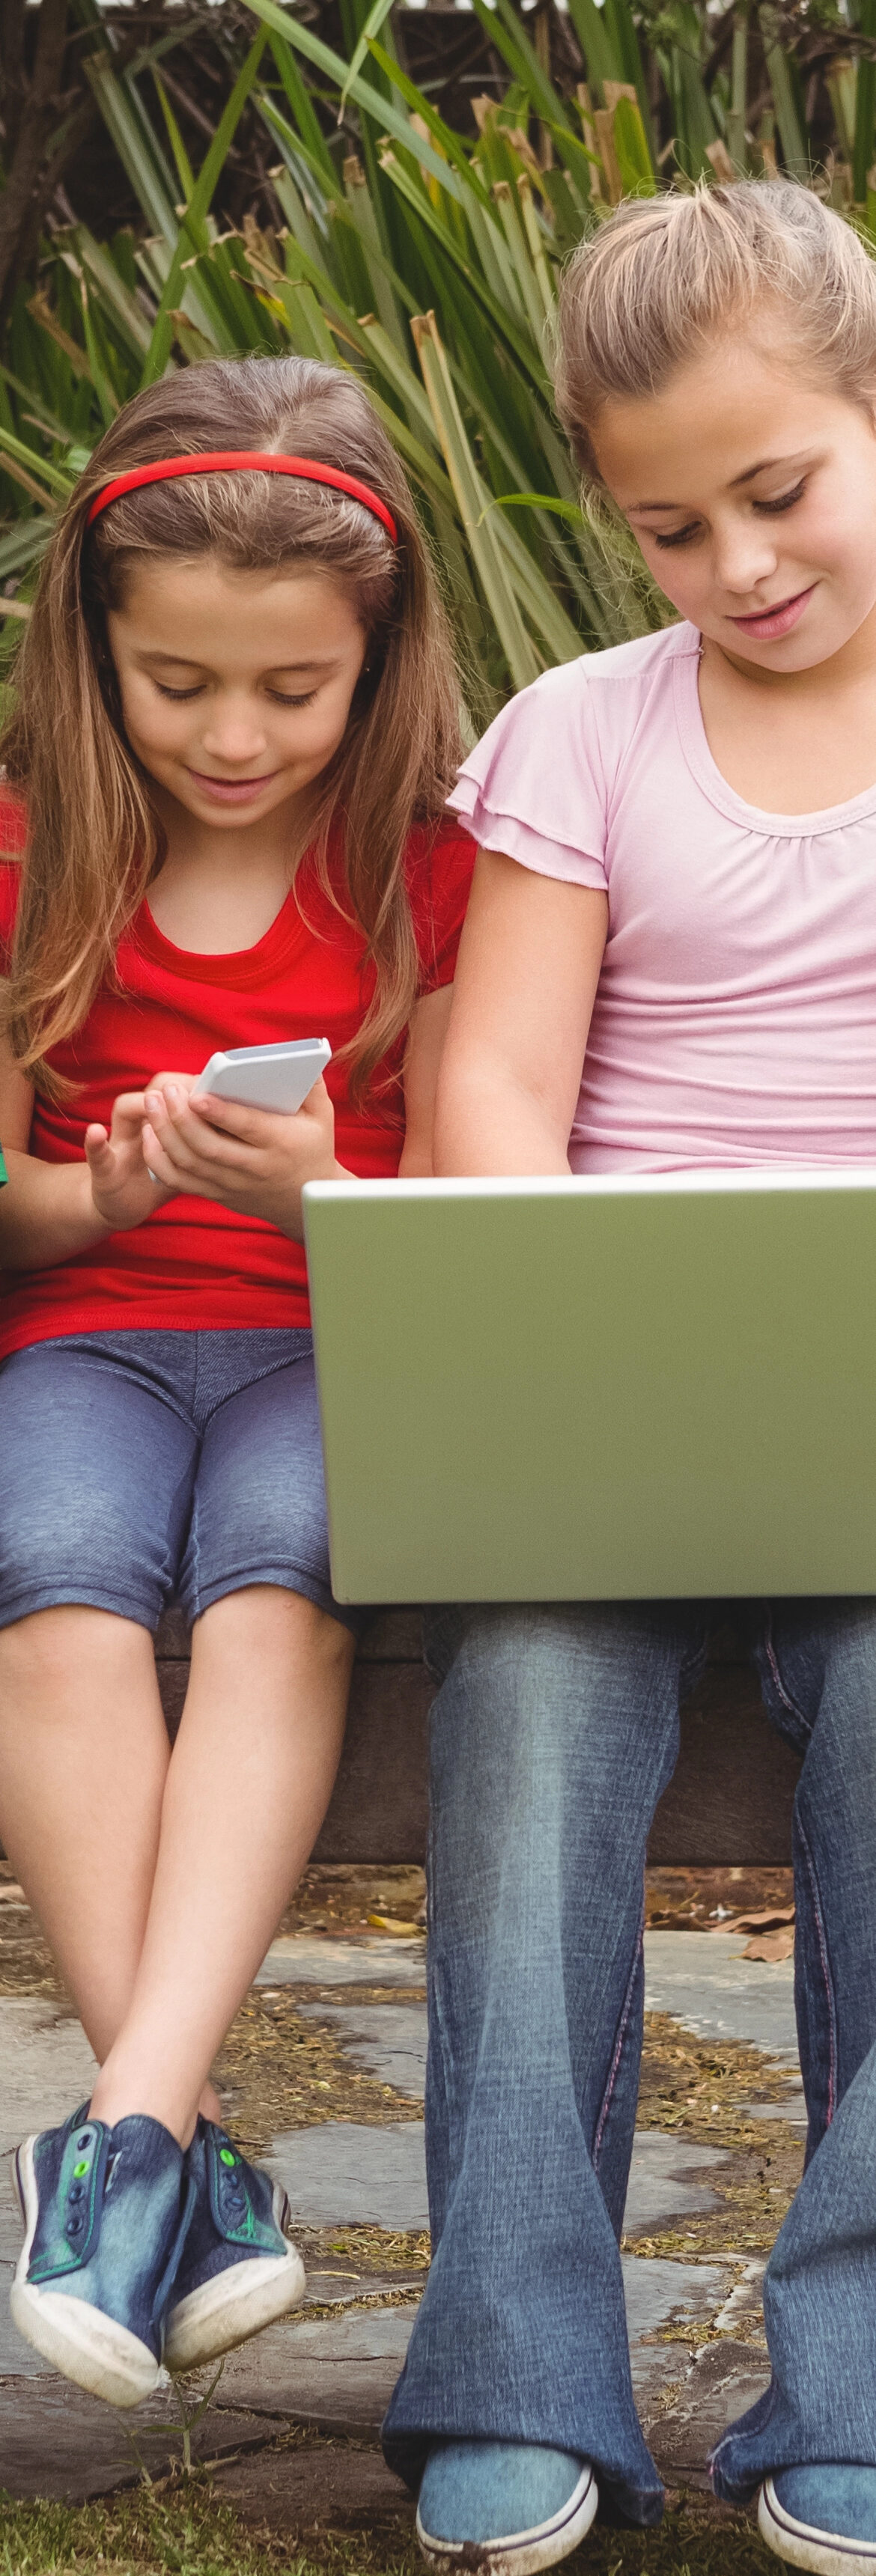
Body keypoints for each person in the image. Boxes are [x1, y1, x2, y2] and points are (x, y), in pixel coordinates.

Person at [381, 179, 876, 2576]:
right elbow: (496, 1099)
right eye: (669, 528)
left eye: (778, 493)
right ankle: (512, 2380)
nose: (737, 568)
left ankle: (858, 2391)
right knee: (530, 1703)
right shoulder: (586, 732)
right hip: (614, 1407)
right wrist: (549, 1324)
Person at [0, 356, 473, 2410]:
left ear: (379, 658)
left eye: (291, 690)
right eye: (175, 682)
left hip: (328, 1338)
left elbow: (472, 1209)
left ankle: (125, 2155)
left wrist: (327, 1192)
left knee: (281, 1573)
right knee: (57, 1582)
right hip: (80, 1329)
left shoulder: (434, 871)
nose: (229, 734)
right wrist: (85, 1190)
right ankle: (180, 2157)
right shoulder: (29, 848)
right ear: (91, 645)